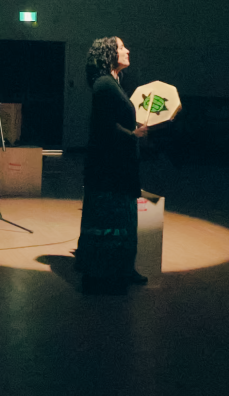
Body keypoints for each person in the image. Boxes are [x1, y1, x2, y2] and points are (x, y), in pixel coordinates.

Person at [77, 36, 148, 295]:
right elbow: (105, 126)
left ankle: (122, 269)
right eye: (120, 47)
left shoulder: (114, 83)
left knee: (123, 218)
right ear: (108, 54)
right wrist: (133, 135)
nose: (127, 50)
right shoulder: (105, 85)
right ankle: (108, 274)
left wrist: (133, 131)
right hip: (109, 169)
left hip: (118, 166)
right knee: (113, 219)